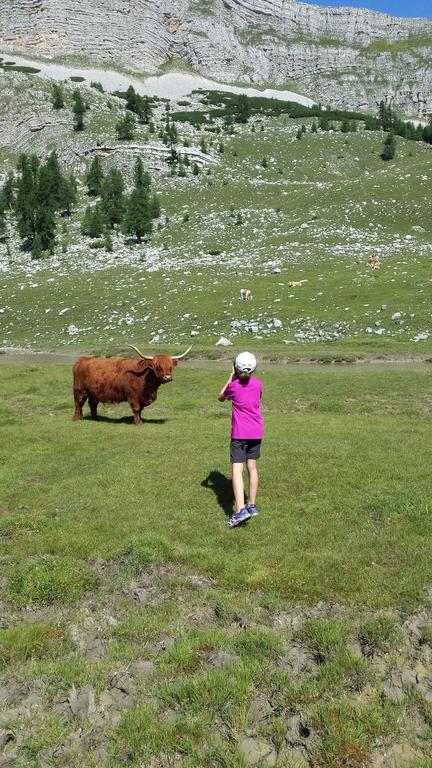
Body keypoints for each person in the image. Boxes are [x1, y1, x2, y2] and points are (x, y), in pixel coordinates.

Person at [218, 351, 263, 528]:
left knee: (237, 470)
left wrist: (230, 377)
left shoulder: (234, 385)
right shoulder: (259, 384)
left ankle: (240, 510)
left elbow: (221, 397)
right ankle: (251, 505)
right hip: (256, 432)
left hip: (239, 433)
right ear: (254, 368)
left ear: (235, 367)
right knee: (252, 467)